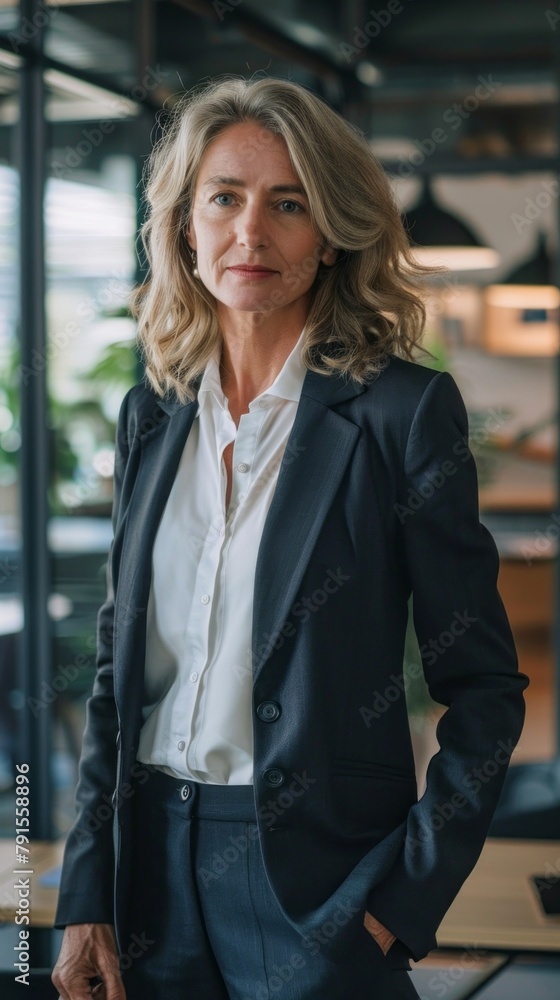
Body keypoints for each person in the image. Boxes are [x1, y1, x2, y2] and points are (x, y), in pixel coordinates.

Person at [51, 76, 528, 1000]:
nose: (250, 233)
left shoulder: (400, 413)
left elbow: (484, 687)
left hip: (321, 886)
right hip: (146, 866)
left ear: (332, 230)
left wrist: (397, 905)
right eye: (223, 198)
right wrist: (85, 889)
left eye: (289, 203)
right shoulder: (151, 412)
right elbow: (118, 670)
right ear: (184, 224)